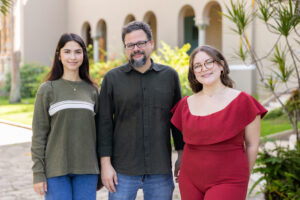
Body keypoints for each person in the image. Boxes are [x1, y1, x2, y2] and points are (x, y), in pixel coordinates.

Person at [98, 21, 184, 200]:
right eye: (130, 45)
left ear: (151, 44)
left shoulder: (169, 76)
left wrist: (181, 155)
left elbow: (178, 122)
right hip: (122, 170)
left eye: (141, 43)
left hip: (159, 168)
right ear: (125, 48)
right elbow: (104, 124)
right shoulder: (112, 79)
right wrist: (105, 165)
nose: (136, 48)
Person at [171, 45, 268, 200]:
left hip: (229, 179)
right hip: (189, 179)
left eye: (209, 62)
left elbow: (252, 145)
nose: (204, 69)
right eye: (197, 66)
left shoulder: (243, 101)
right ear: (194, 73)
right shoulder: (185, 104)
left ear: (221, 65)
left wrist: (243, 175)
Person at [31, 33, 99, 200]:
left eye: (78, 52)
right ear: (59, 55)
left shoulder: (92, 90)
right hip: (56, 170)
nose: (73, 57)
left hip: (87, 170)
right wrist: (38, 174)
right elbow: (39, 136)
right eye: (67, 51)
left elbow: (100, 133)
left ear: (84, 55)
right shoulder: (47, 89)